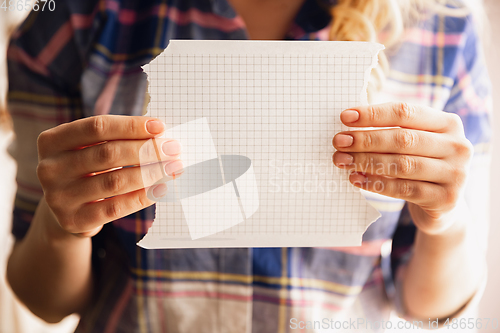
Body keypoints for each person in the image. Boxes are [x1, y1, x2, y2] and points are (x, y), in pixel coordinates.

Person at [5, 0, 491, 332]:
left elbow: (429, 309)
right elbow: (45, 299)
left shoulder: (442, 24)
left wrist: (445, 221)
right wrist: (61, 227)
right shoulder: (72, 18)